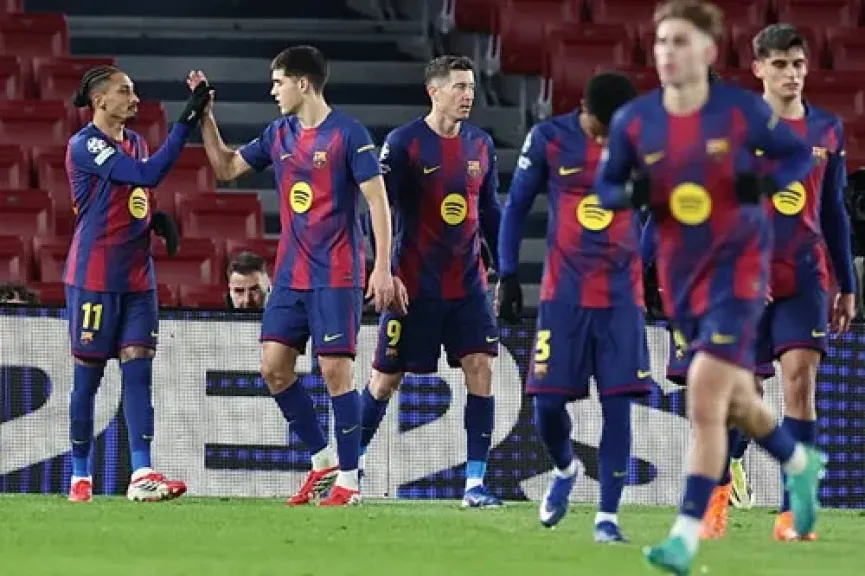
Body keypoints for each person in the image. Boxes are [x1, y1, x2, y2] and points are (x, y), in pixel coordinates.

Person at [594, 1, 825, 571]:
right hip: (683, 280)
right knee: (737, 400)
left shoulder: (740, 113)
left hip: (740, 272)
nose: (668, 52)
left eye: (680, 41)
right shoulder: (636, 121)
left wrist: (755, 185)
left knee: (704, 394)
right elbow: (607, 190)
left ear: (707, 50)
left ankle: (685, 536)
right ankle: (799, 464)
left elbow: (798, 156)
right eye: (661, 42)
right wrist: (642, 192)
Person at [189, 45, 395, 507]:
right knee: (273, 368)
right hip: (289, 274)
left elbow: (378, 202)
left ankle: (349, 481)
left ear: (303, 84)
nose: (273, 91)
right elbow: (227, 167)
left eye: (278, 82)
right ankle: (323, 462)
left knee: (335, 372)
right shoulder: (277, 133)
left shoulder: (348, 134)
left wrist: (382, 266)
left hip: (336, 272)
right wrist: (206, 117)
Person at [497, 72, 651, 541]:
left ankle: (608, 517)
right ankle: (566, 468)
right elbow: (516, 206)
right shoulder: (549, 138)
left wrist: (649, 266)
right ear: (583, 108)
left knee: (618, 406)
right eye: (602, 128)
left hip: (621, 299)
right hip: (563, 297)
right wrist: (508, 273)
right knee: (546, 406)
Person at [359, 55, 503, 508]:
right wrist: (383, 269)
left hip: (468, 285)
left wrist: (505, 270)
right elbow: (377, 210)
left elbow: (491, 211)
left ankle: (475, 483)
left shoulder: (481, 144)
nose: (468, 95)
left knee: (481, 368)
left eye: (471, 87)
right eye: (459, 86)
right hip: (414, 285)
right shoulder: (403, 143)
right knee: (385, 379)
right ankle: (347, 469)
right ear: (434, 91)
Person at [65, 65, 209, 503]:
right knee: (87, 380)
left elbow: (135, 194)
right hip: (95, 278)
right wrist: (188, 118)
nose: (135, 99)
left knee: (139, 371)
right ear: (100, 100)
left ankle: (141, 473)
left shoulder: (136, 141)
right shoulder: (85, 144)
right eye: (125, 91)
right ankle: (80, 476)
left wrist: (151, 220)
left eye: (134, 90)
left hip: (138, 278)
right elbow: (145, 176)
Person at [747, 23, 857, 541]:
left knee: (799, 383)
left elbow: (834, 211)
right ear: (759, 69)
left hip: (806, 276)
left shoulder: (828, 130)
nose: (791, 74)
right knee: (742, 398)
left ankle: (795, 513)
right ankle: (721, 485)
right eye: (780, 64)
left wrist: (847, 283)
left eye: (798, 64)